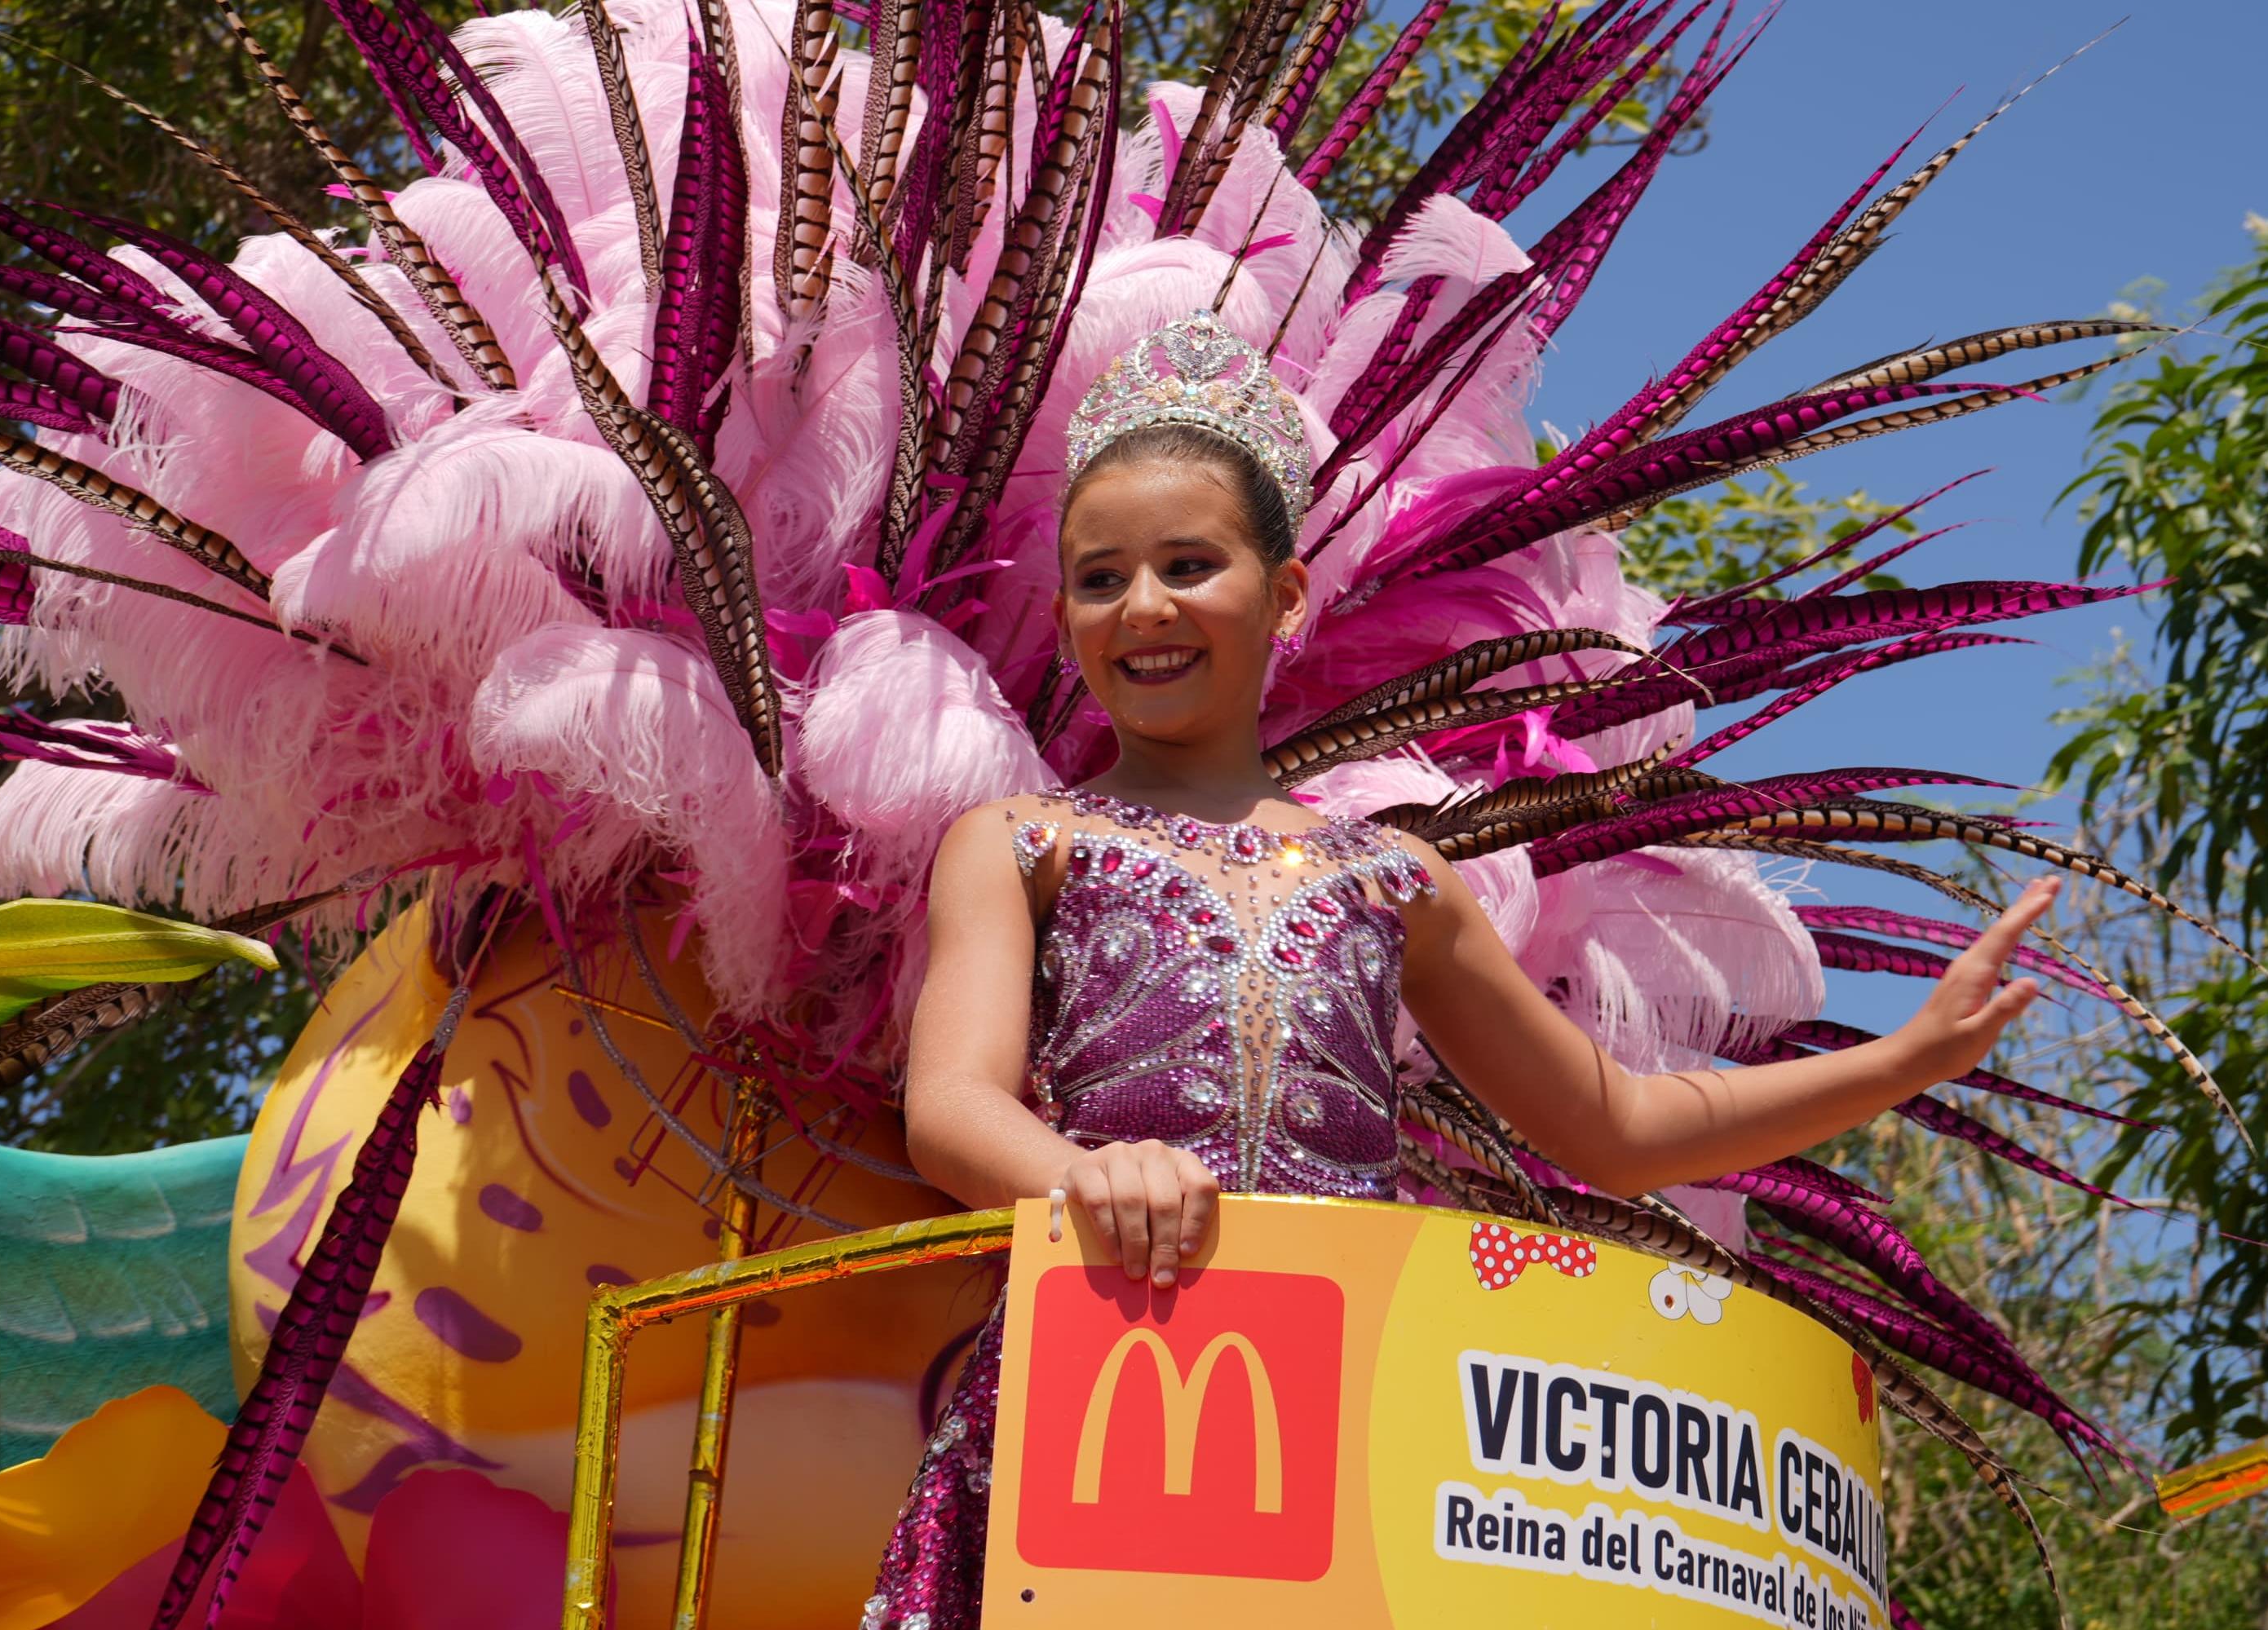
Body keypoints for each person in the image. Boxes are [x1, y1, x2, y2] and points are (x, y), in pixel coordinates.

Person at [863, 314, 2062, 1628]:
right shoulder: (1023, 842)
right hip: (1101, 1420)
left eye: (1190, 564)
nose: (1143, 607)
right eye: (1100, 580)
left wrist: (1903, 1060)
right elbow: (953, 1107)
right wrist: (1089, 1176)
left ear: (1290, 597)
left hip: (1346, 1442)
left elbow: (1618, 1124)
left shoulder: (1396, 881)